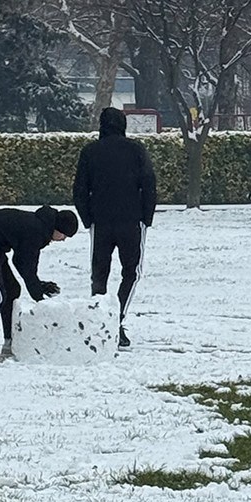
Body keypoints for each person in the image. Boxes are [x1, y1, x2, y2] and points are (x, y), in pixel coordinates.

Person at [73, 106, 158, 349]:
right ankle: (116, 320)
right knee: (131, 272)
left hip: (101, 221)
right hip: (131, 220)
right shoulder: (135, 150)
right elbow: (149, 184)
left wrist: (88, 219)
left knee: (99, 272)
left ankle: (100, 319)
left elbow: (79, 189)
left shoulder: (90, 151)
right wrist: (146, 217)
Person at [0, 203, 78, 357]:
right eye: (64, 235)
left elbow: (21, 261)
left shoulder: (41, 228)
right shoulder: (36, 231)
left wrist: (39, 285)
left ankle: (8, 343)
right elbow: (27, 266)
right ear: (57, 229)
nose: (63, 239)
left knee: (12, 291)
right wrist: (39, 296)